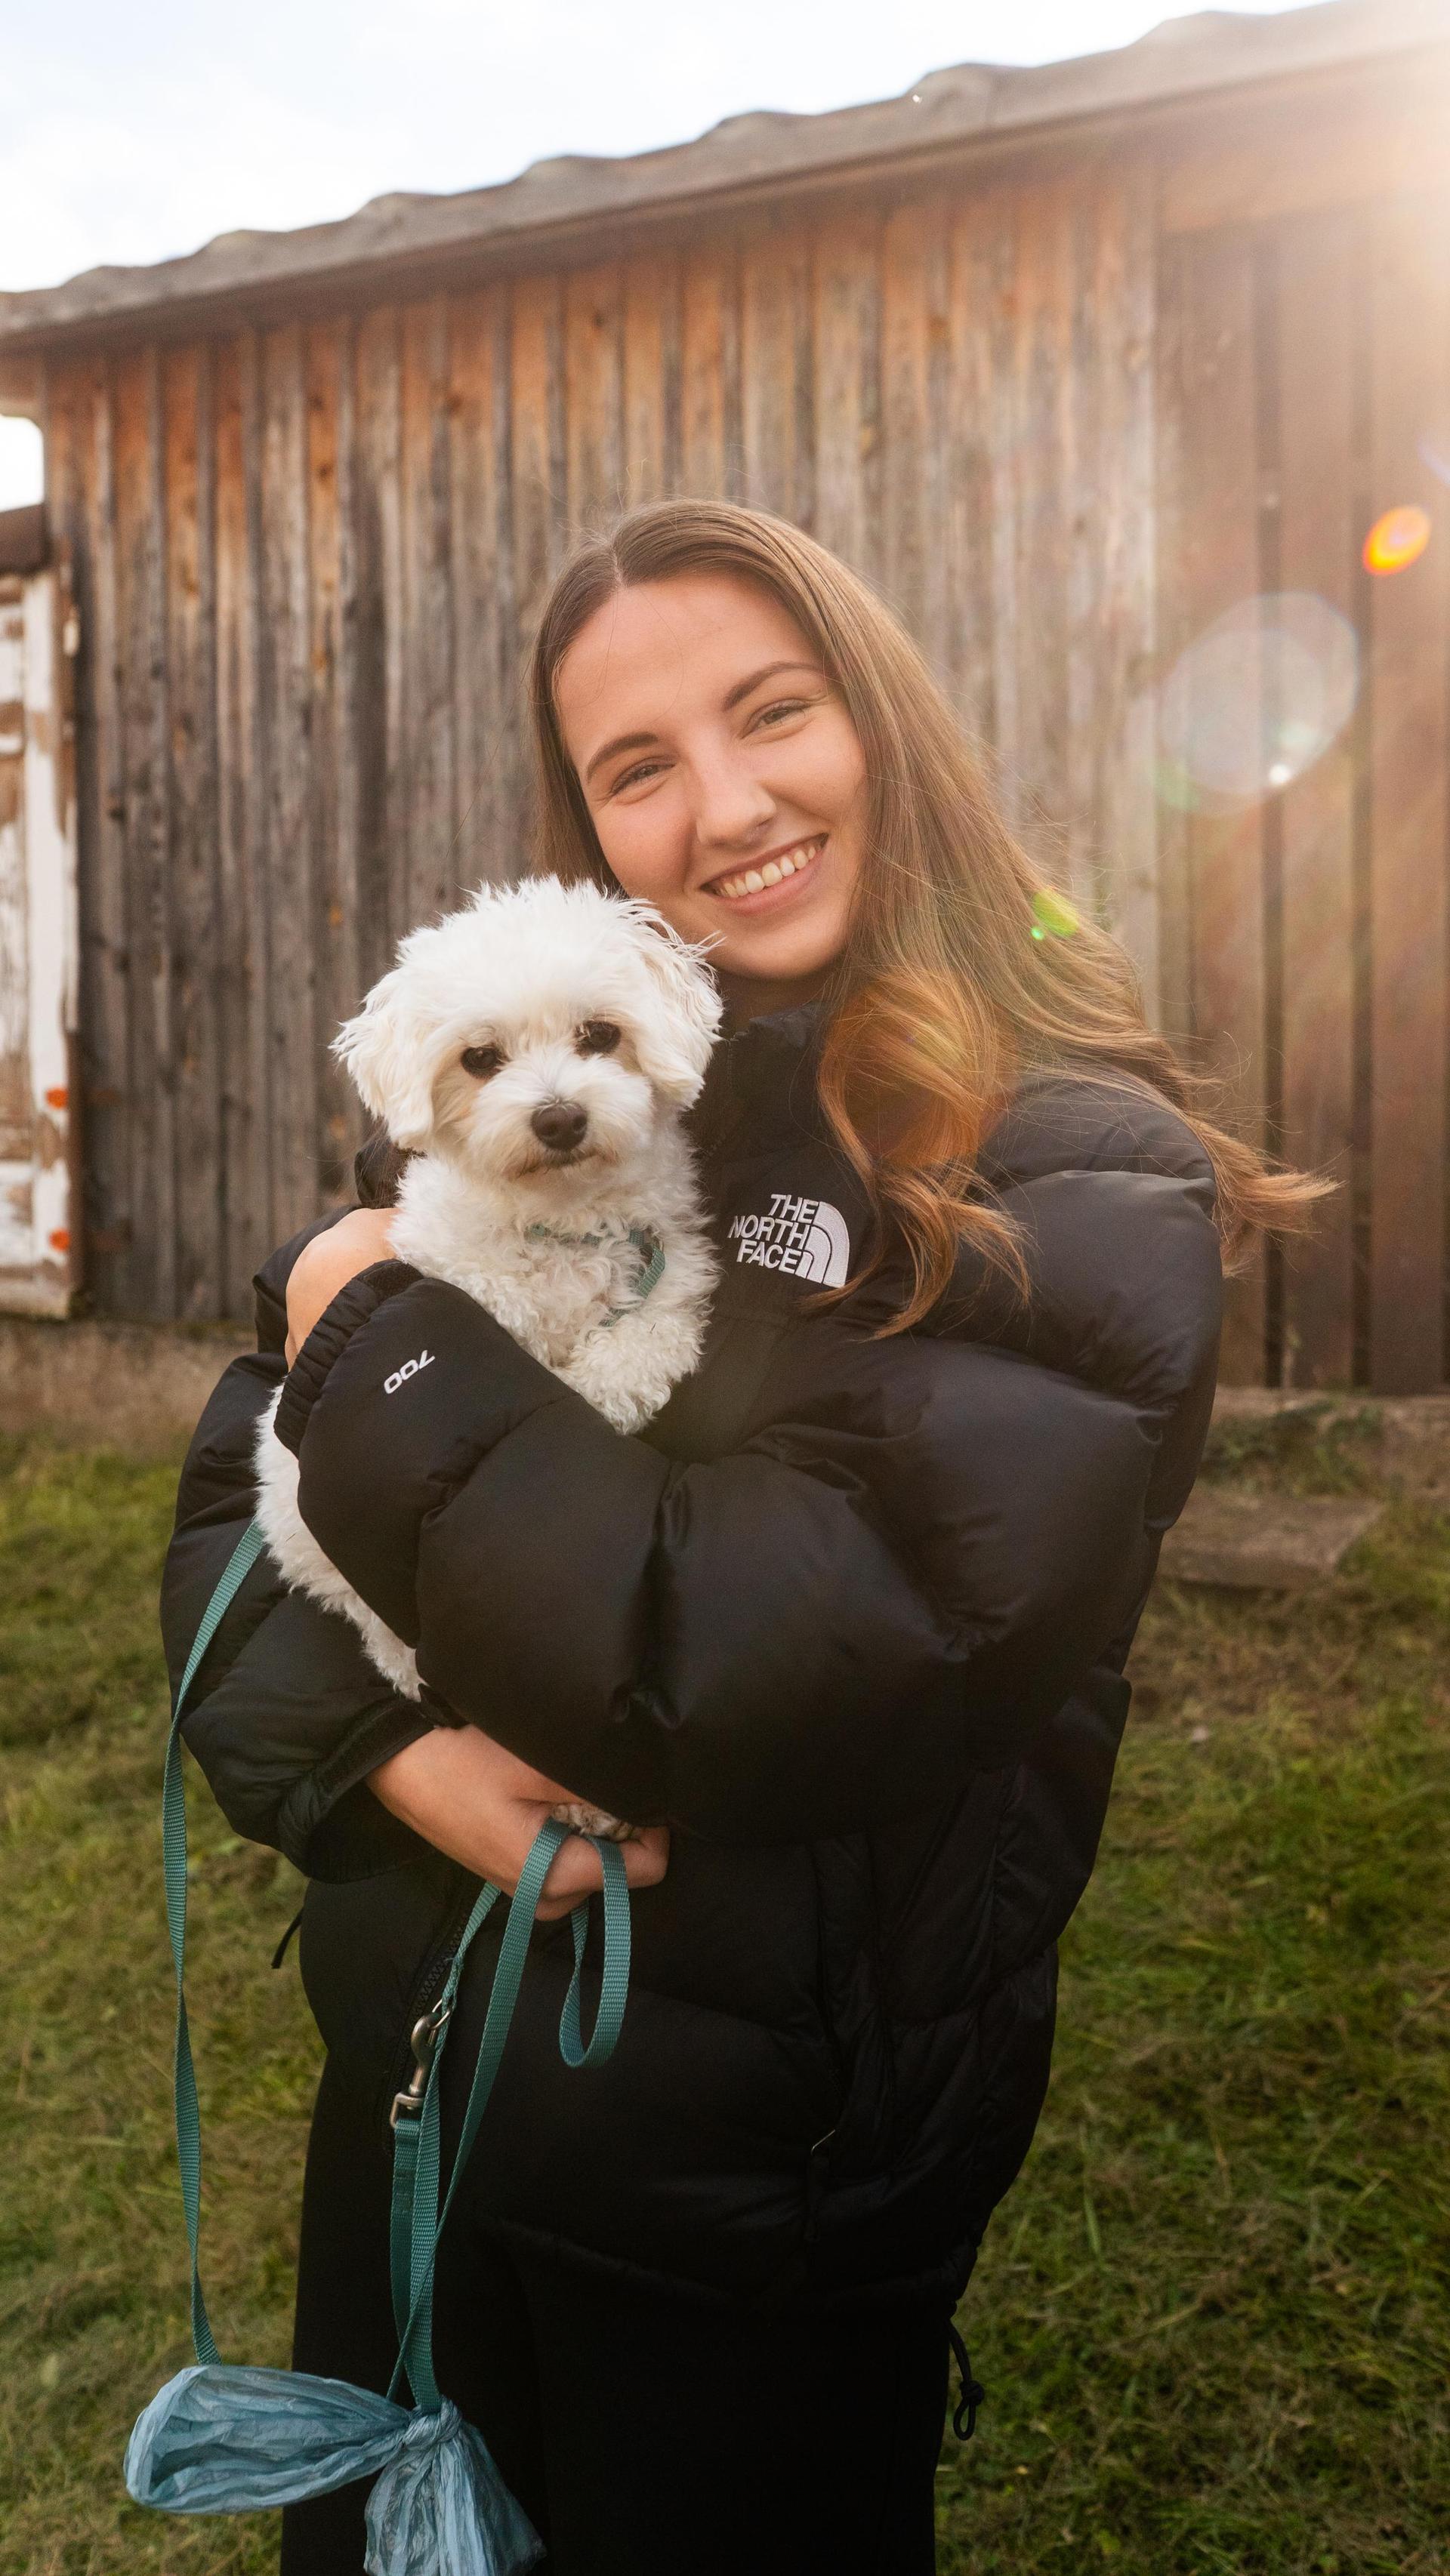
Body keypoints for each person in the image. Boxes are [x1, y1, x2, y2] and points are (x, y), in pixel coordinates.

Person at [161, 499, 1317, 2574]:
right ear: (589, 831)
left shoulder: (1071, 1171)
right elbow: (233, 1508)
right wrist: (381, 1758)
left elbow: (718, 1663)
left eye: (771, 711)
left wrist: (375, 1346)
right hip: (432, 2084)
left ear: (877, 717)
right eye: (634, 765)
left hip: (752, 2202)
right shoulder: (550, 1080)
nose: (724, 804)